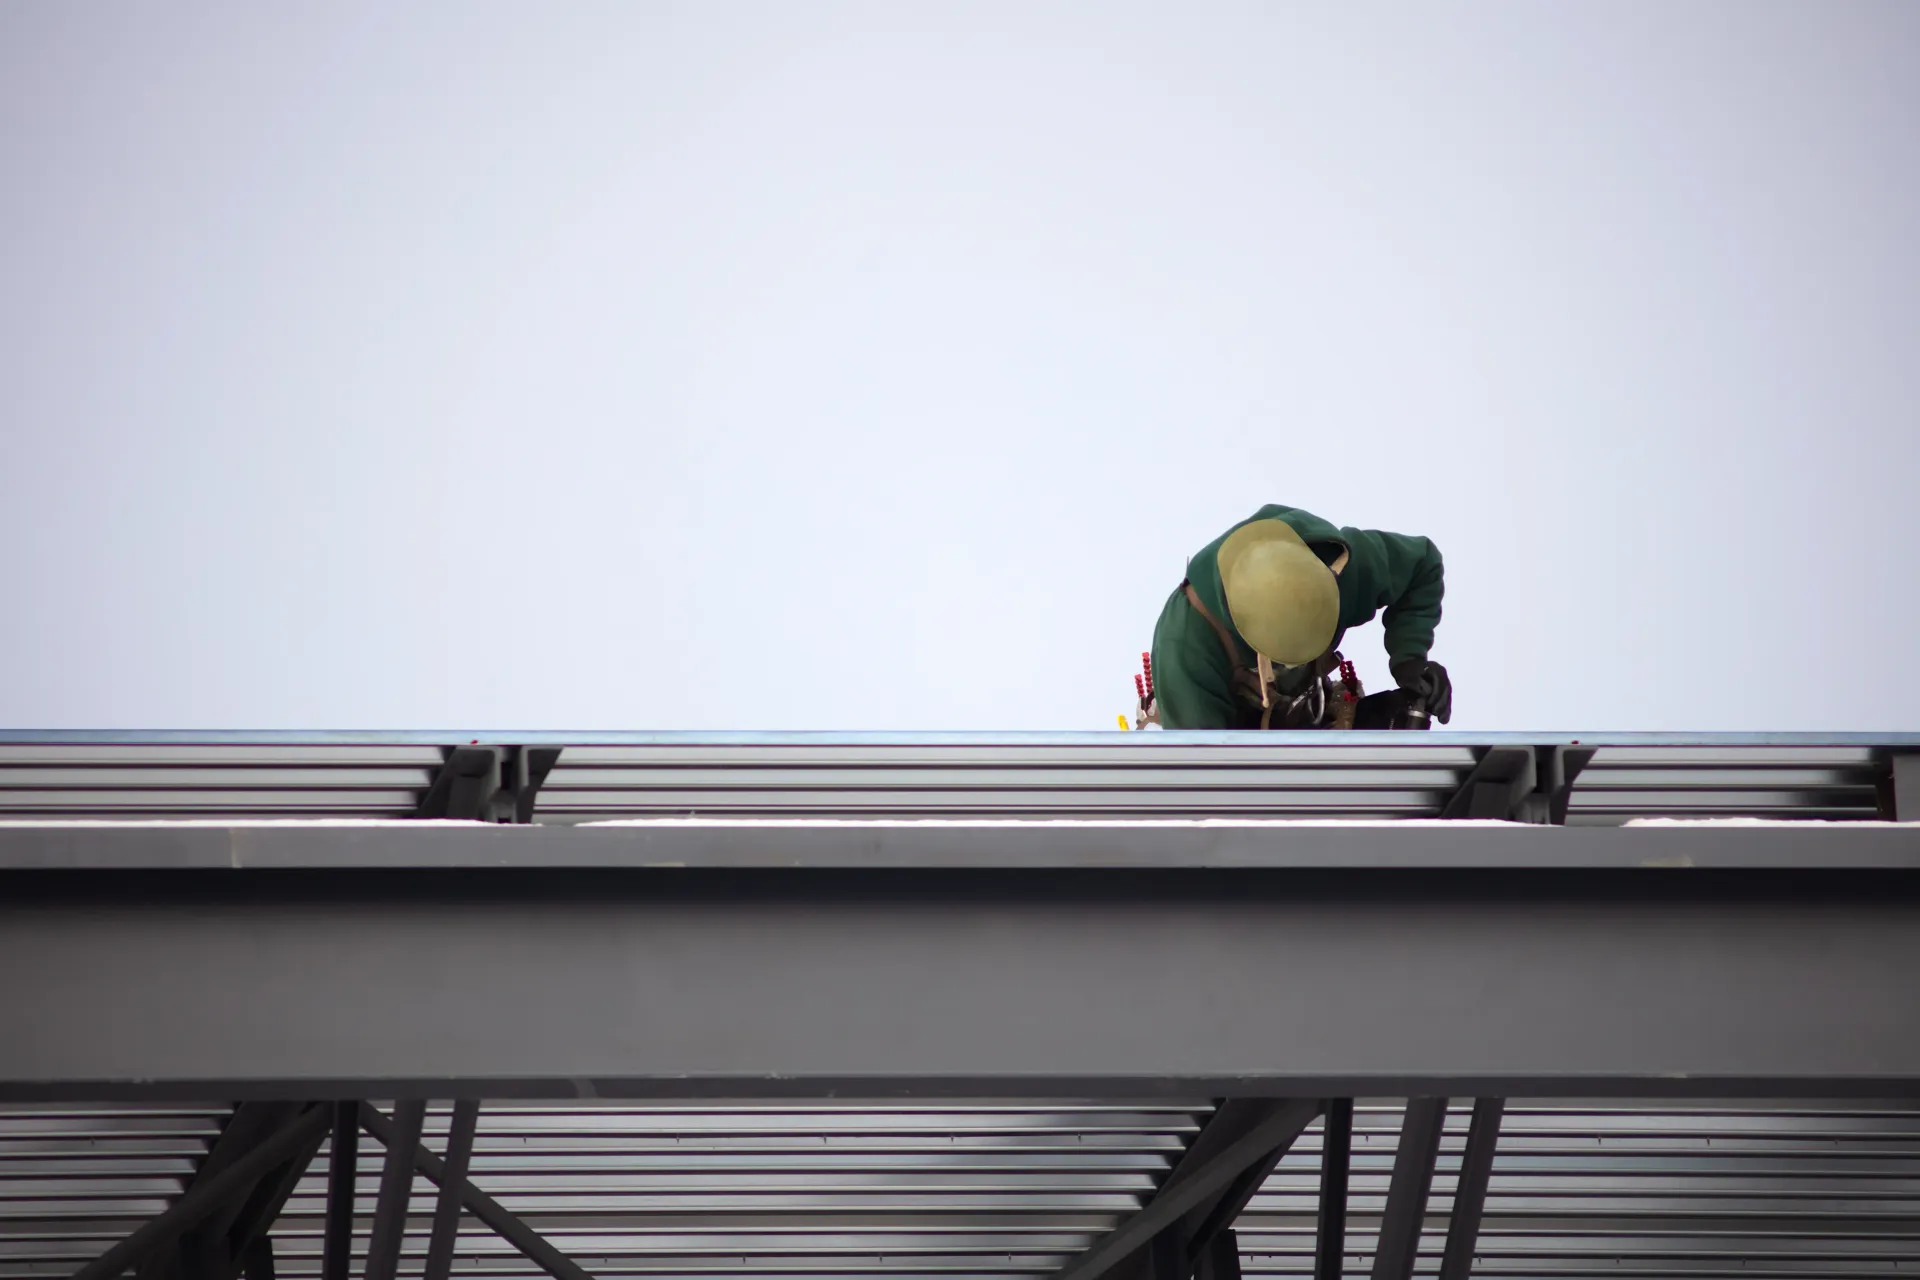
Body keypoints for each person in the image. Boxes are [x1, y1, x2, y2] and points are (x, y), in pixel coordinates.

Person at [1148, 504, 1450, 730]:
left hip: (1302, 707)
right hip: (1224, 722)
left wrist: (1410, 660)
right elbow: (1206, 782)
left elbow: (1422, 566)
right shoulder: (1185, 652)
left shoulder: (1343, 566)